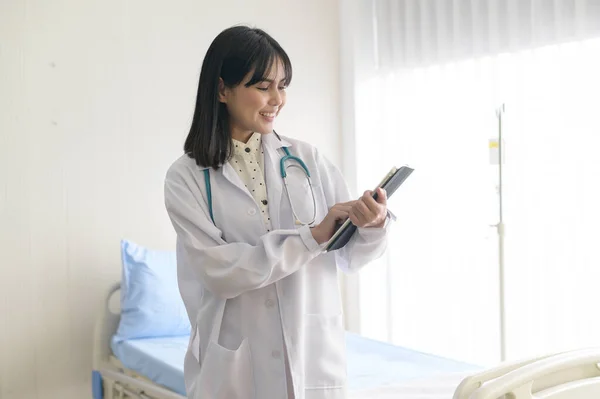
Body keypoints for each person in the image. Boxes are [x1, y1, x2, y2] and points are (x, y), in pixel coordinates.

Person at [164, 25, 394, 399]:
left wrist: (372, 225)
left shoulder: (307, 160)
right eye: (262, 86)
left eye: (283, 85)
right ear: (222, 89)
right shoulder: (186, 178)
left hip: (311, 350)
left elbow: (348, 255)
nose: (277, 99)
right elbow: (221, 272)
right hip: (236, 360)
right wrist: (312, 236)